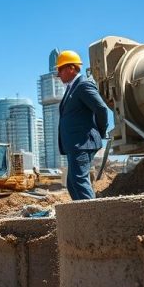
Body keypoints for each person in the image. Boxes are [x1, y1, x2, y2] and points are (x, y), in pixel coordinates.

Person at [56, 50, 109, 200]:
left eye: (60, 70)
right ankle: (82, 218)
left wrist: (99, 131)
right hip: (75, 145)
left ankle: (93, 219)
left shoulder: (83, 85)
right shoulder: (72, 88)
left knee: (79, 181)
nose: (58, 75)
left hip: (82, 143)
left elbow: (101, 109)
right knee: (73, 183)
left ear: (71, 68)